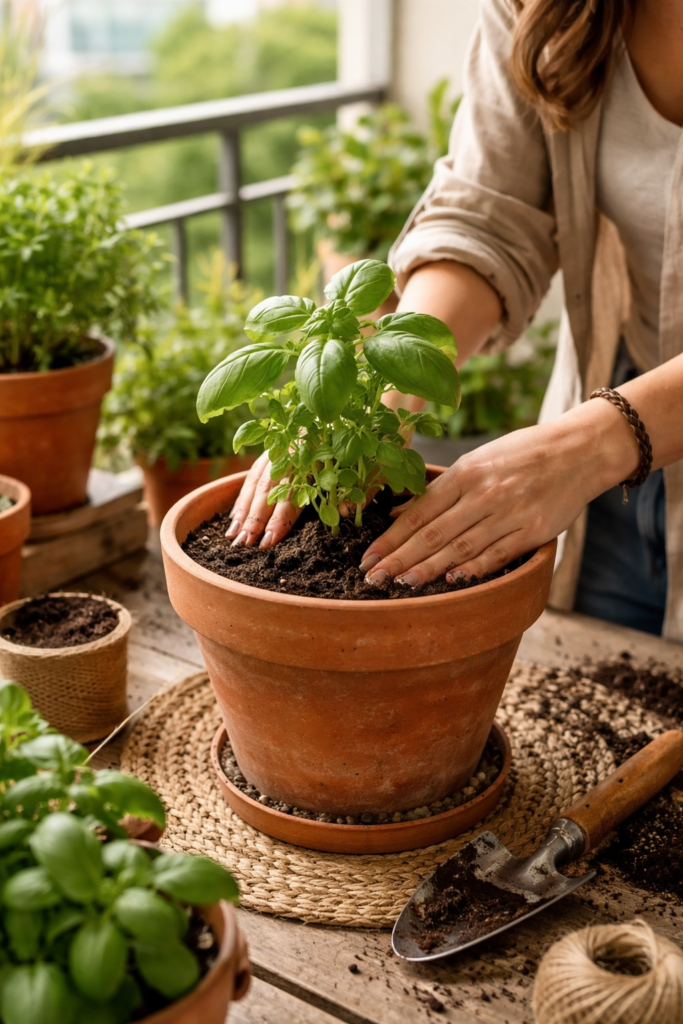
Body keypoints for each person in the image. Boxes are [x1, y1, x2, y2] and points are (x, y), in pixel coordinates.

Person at [227, 0, 683, 640]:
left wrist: (591, 446)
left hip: (603, 447)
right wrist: (376, 400)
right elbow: (490, 213)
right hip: (611, 471)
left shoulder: (589, 451)